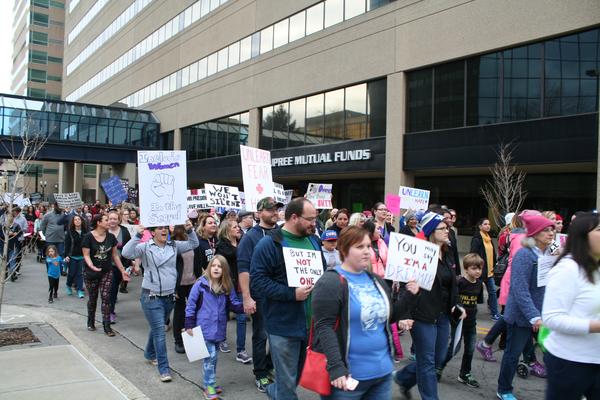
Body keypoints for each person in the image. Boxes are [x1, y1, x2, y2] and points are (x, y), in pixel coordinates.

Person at [311, 225, 419, 399]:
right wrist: (336, 367)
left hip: (382, 375)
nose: (367, 251)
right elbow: (324, 327)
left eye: (368, 246)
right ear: (344, 249)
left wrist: (409, 296)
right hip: (347, 379)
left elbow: (389, 317)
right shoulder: (330, 282)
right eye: (359, 247)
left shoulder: (376, 280)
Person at [250, 197, 325, 400]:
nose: (314, 224)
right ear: (294, 217)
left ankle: (274, 391)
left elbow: (322, 273)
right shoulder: (269, 244)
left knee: (293, 378)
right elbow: (257, 282)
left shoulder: (314, 241)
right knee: (287, 385)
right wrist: (292, 294)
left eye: (315, 219)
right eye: (310, 219)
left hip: (310, 326)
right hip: (283, 326)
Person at [394, 211, 464, 400]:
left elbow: (452, 283)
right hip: (421, 313)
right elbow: (405, 285)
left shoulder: (448, 253)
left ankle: (404, 377)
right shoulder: (419, 253)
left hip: (442, 314)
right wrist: (405, 313)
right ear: (432, 231)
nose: (447, 231)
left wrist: (456, 305)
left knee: (438, 358)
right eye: (442, 228)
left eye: (447, 228)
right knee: (427, 361)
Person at [122, 221, 198, 382]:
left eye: (165, 227)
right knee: (160, 332)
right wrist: (137, 235)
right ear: (153, 232)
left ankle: (149, 353)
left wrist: (190, 229)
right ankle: (164, 369)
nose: (163, 230)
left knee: (156, 328)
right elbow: (126, 253)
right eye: (159, 228)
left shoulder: (174, 245)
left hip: (170, 296)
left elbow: (194, 243)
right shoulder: (145, 247)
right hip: (151, 296)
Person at [496, 212, 555, 400]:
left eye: (552, 229)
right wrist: (534, 316)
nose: (551, 233)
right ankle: (504, 389)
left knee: (553, 353)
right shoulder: (524, 255)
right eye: (546, 230)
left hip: (540, 315)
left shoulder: (547, 254)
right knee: (512, 355)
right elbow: (519, 290)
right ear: (535, 233)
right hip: (522, 316)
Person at [542, 212, 600, 400]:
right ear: (583, 236)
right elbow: (552, 318)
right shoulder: (567, 269)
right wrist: (595, 326)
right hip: (569, 361)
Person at [237, 196, 281, 392]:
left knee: (278, 334)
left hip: (280, 294)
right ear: (259, 213)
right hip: (260, 295)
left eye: (276, 209)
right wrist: (247, 297)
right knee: (261, 334)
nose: (274, 212)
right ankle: (261, 373)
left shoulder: (282, 233)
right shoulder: (250, 237)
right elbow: (243, 268)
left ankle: (270, 366)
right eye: (270, 209)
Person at [185, 255, 244, 399]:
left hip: (219, 328)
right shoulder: (200, 284)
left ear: (224, 270)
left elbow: (234, 304)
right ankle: (208, 385)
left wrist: (245, 307)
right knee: (210, 357)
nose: (216, 268)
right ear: (209, 267)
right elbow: (191, 305)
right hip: (203, 327)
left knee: (213, 357)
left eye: (220, 266)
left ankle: (210, 382)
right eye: (214, 265)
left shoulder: (226, 286)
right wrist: (189, 324)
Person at [82, 214, 130, 337]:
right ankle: (90, 320)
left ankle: (106, 325)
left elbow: (115, 256)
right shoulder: (88, 237)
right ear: (98, 222)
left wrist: (122, 270)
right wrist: (92, 266)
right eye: (106, 220)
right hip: (91, 272)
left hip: (107, 271)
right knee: (93, 299)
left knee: (106, 298)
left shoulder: (111, 237)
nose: (109, 222)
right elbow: (86, 255)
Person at [440, 253, 484, 388]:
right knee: (454, 348)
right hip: (458, 323)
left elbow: (478, 302)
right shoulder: (459, 282)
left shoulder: (480, 285)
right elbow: (452, 299)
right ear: (466, 269)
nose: (477, 271)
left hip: (471, 324)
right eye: (474, 268)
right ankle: (439, 367)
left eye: (479, 268)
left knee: (470, 349)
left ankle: (465, 373)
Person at [215, 219, 252, 364]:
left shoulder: (243, 243)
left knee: (241, 317)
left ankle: (241, 350)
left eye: (238, 226)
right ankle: (221, 338)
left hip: (241, 286)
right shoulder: (222, 247)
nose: (238, 229)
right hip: (227, 286)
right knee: (223, 314)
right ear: (227, 230)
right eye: (235, 227)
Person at [170, 224, 201, 354]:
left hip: (193, 282)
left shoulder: (192, 243)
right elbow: (171, 268)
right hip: (179, 284)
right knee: (180, 311)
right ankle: (178, 340)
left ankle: (194, 340)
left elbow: (199, 261)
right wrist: (173, 288)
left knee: (195, 310)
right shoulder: (172, 246)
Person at [470, 218, 501, 320]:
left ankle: (495, 313)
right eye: (485, 224)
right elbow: (473, 254)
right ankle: (470, 312)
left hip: (489, 271)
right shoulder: (477, 239)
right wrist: (475, 268)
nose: (488, 226)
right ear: (480, 226)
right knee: (474, 293)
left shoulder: (488, 237)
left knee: (492, 292)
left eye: (489, 224)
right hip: (479, 271)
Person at [107, 210, 132, 324]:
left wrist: (130, 263)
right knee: (109, 288)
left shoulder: (124, 231)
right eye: (110, 218)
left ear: (118, 220)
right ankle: (110, 311)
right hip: (105, 265)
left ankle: (110, 306)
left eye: (115, 219)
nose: (112, 221)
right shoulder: (103, 230)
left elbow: (129, 247)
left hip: (120, 265)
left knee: (114, 287)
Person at [64, 214, 88, 298]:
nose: (77, 221)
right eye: (75, 220)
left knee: (80, 274)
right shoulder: (70, 232)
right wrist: (66, 255)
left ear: (81, 221)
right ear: (73, 222)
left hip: (82, 256)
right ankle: (68, 285)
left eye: (79, 219)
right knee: (71, 273)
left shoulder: (86, 232)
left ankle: (79, 290)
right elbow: (66, 245)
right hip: (72, 256)